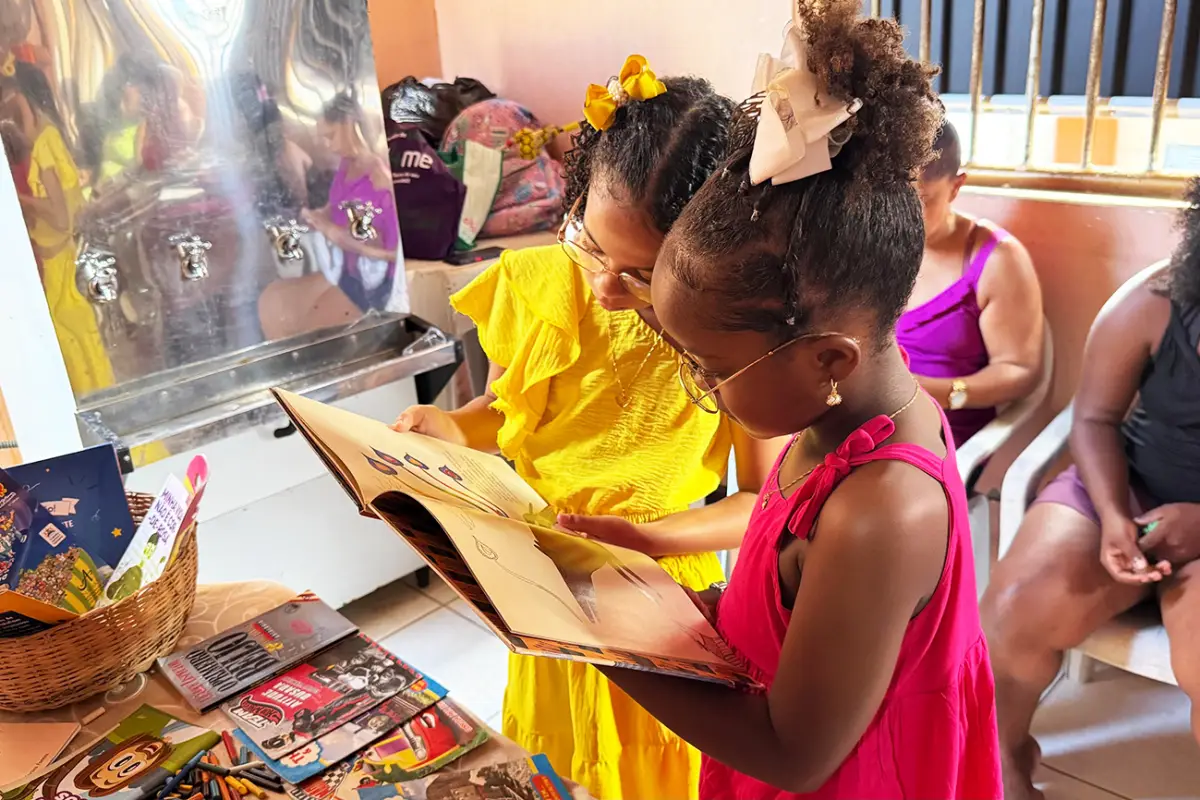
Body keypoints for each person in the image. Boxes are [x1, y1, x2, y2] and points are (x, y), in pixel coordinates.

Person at [590, 4, 1002, 798]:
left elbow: (792, 751)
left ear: (828, 360)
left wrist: (598, 646)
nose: (704, 386)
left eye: (712, 367)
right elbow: (774, 612)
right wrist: (669, 596)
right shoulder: (830, 422)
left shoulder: (882, 510)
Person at [392, 57, 782, 800]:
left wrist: (654, 537)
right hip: (548, 581)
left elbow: (761, 503)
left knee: (653, 771)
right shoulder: (550, 287)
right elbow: (511, 414)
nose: (605, 285)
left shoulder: (731, 344)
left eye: (640, 273)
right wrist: (450, 425)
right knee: (561, 764)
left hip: (661, 596)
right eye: (592, 246)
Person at [981, 178, 1200, 800]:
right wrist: (1110, 515)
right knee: (1014, 607)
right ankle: (1003, 762)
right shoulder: (1158, 301)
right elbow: (1096, 417)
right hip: (1127, 490)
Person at [898, 120, 1045, 445]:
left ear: (955, 186)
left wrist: (931, 392)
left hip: (942, 441)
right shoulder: (871, 244)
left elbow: (1018, 370)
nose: (901, 217)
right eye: (892, 200)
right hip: (864, 426)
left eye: (920, 201)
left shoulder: (996, 260)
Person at [1, 61, 117, 397]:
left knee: (81, 355)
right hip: (59, 265)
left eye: (12, 105)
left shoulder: (45, 147)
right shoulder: (47, 141)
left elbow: (59, 216)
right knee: (83, 354)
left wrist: (19, 198)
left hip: (61, 270)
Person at [258, 94, 400, 340]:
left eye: (330, 136)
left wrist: (338, 235)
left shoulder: (380, 180)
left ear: (350, 125)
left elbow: (392, 254)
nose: (326, 145)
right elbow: (336, 204)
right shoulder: (347, 165)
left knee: (309, 329)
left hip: (373, 283)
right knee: (273, 302)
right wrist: (316, 216)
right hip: (344, 268)